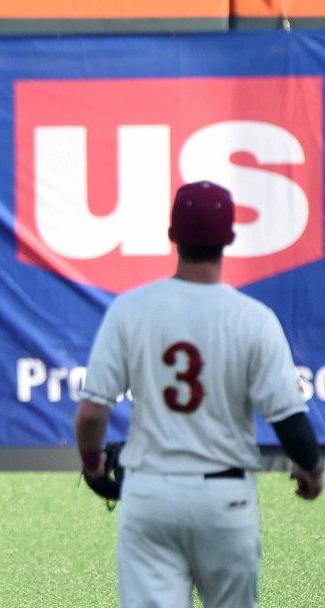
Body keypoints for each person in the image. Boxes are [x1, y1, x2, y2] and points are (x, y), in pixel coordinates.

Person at [74, 180, 323, 608]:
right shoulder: (253, 318)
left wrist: (95, 466)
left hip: (150, 495)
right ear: (228, 239)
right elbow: (288, 419)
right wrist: (312, 470)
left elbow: (93, 413)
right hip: (225, 501)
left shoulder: (130, 309)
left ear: (173, 236)